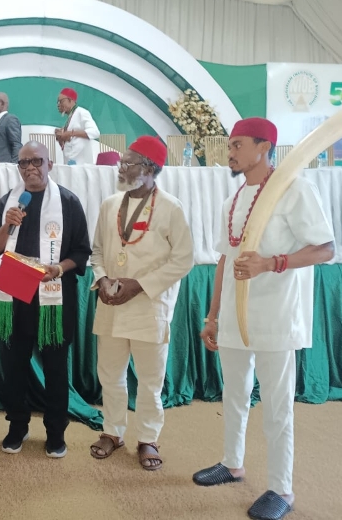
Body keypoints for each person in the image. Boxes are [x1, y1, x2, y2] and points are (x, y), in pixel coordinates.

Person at [193, 118, 335, 520]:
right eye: (229, 145)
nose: (230, 152)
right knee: (234, 394)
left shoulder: (295, 189)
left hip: (277, 316)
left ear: (264, 147)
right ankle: (232, 463)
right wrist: (213, 315)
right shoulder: (233, 200)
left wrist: (272, 263)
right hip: (234, 318)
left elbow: (326, 248)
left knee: (276, 405)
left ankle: (281, 489)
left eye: (238, 144)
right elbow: (226, 260)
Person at [89, 136, 193, 469]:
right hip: (111, 304)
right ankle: (112, 431)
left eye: (128, 162)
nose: (120, 167)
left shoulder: (171, 207)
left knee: (149, 380)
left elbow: (183, 259)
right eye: (122, 161)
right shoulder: (110, 204)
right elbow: (97, 252)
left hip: (149, 305)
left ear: (149, 168)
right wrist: (101, 279)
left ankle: (148, 438)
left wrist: (140, 285)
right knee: (110, 374)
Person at [0, 140, 91, 458]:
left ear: (50, 164)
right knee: (14, 366)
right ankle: (17, 426)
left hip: (54, 290)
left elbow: (81, 251)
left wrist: (59, 268)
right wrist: (7, 224)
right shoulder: (9, 202)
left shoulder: (68, 202)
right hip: (15, 287)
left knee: (56, 368)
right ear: (18, 167)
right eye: (24, 163)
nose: (30, 167)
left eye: (37, 161)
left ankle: (56, 432)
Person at [55, 87, 100, 165]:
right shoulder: (70, 117)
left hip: (81, 164)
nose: (59, 104)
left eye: (61, 101)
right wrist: (61, 138)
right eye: (58, 102)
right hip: (70, 162)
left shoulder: (82, 112)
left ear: (70, 100)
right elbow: (70, 142)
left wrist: (70, 133)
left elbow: (95, 132)